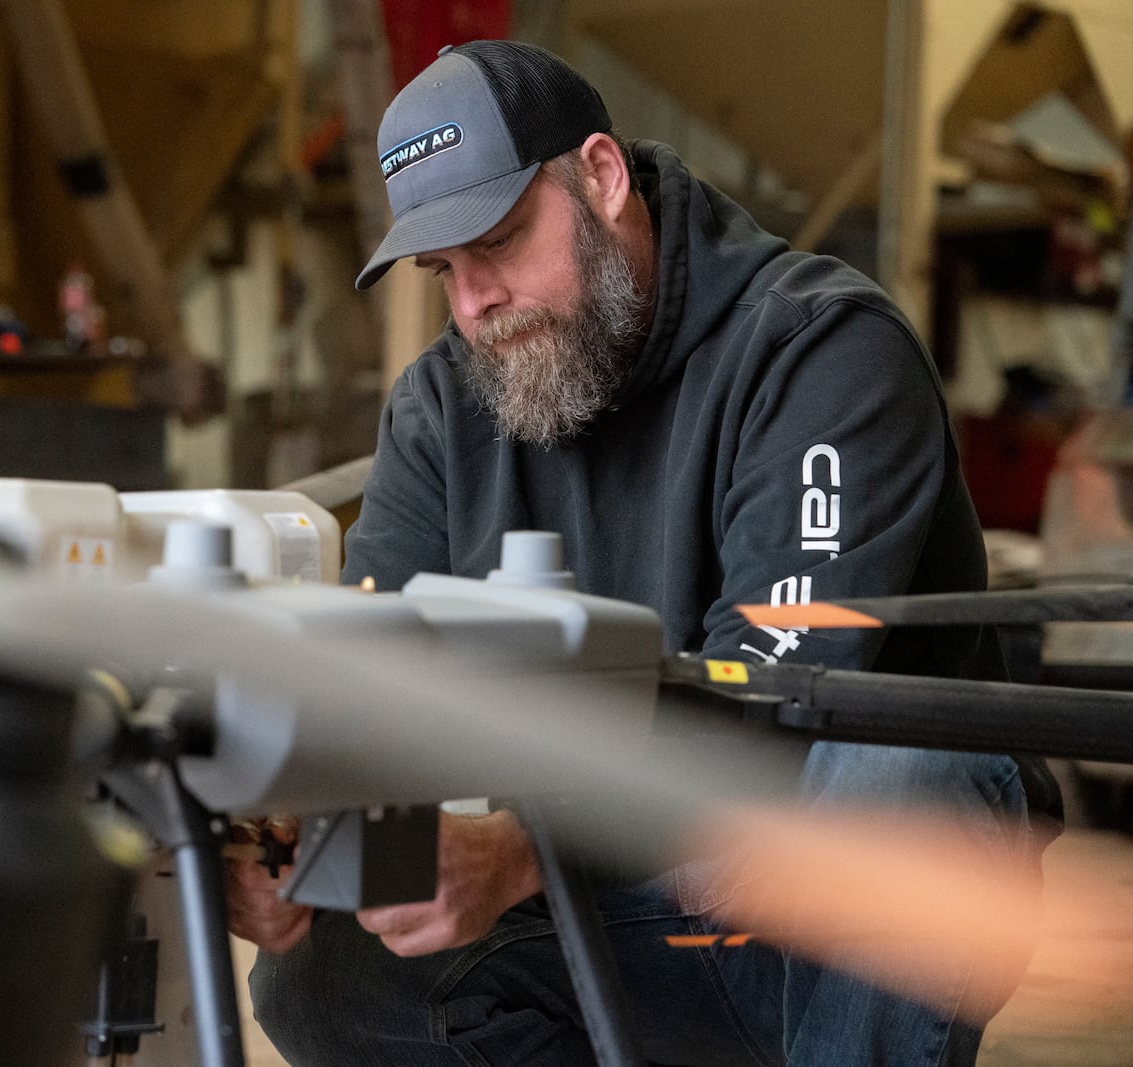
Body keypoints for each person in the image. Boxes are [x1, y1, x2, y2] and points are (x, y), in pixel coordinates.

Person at [228, 39, 1055, 1066]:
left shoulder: (819, 351)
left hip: (825, 899)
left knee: (894, 774)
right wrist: (274, 829)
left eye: (498, 239)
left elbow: (781, 696)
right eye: (444, 269)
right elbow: (372, 677)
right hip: (617, 898)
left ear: (602, 179)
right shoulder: (444, 404)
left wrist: (525, 848)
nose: (474, 299)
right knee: (327, 974)